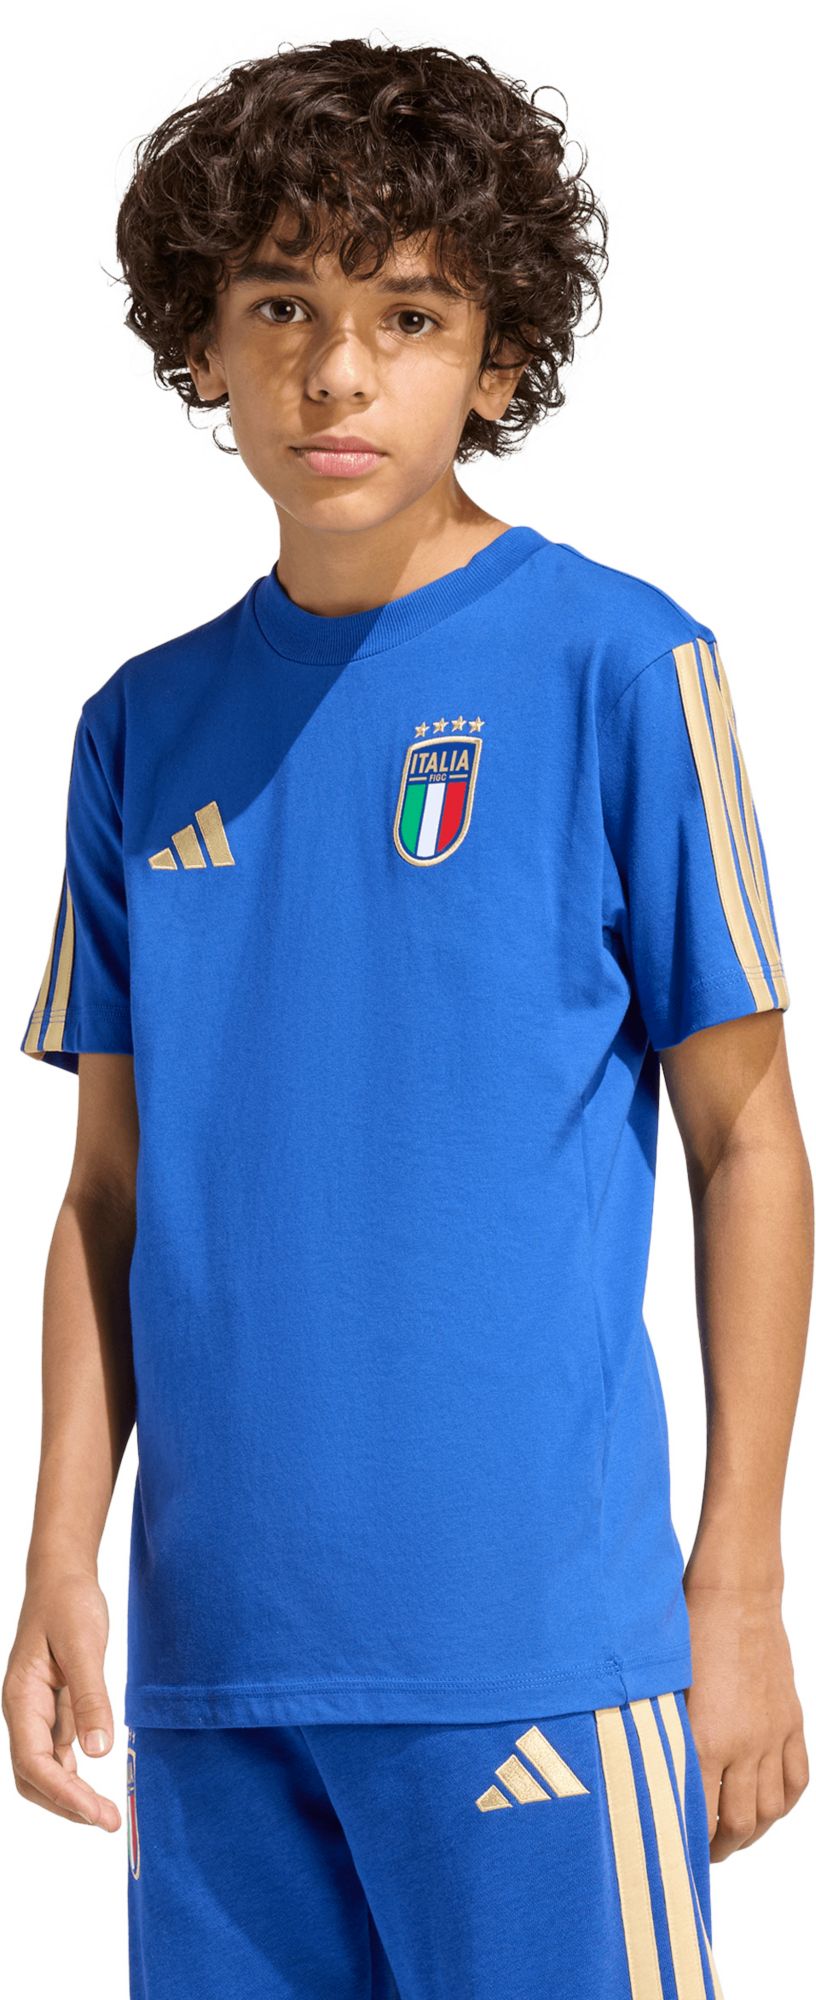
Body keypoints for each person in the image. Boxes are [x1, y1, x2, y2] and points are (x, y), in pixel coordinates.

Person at [3, 35, 811, 2000]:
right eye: (282, 305)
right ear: (203, 344)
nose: (337, 372)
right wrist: (57, 1557)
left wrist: (736, 1583)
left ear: (499, 359)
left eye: (409, 315)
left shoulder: (626, 666)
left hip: (537, 1656)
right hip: (219, 1676)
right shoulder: (139, 727)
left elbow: (746, 1136)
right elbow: (108, 1192)